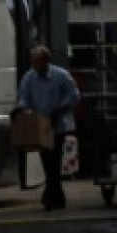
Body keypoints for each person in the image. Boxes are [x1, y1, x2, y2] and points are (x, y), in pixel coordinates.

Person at [16, 45, 79, 211]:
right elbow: (23, 96)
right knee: (47, 160)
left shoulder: (61, 75)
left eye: (39, 63)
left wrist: (60, 108)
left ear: (46, 61)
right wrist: (23, 109)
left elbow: (74, 95)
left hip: (58, 124)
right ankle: (55, 194)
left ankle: (51, 195)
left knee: (54, 159)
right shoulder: (29, 77)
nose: (36, 66)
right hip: (40, 124)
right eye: (34, 63)